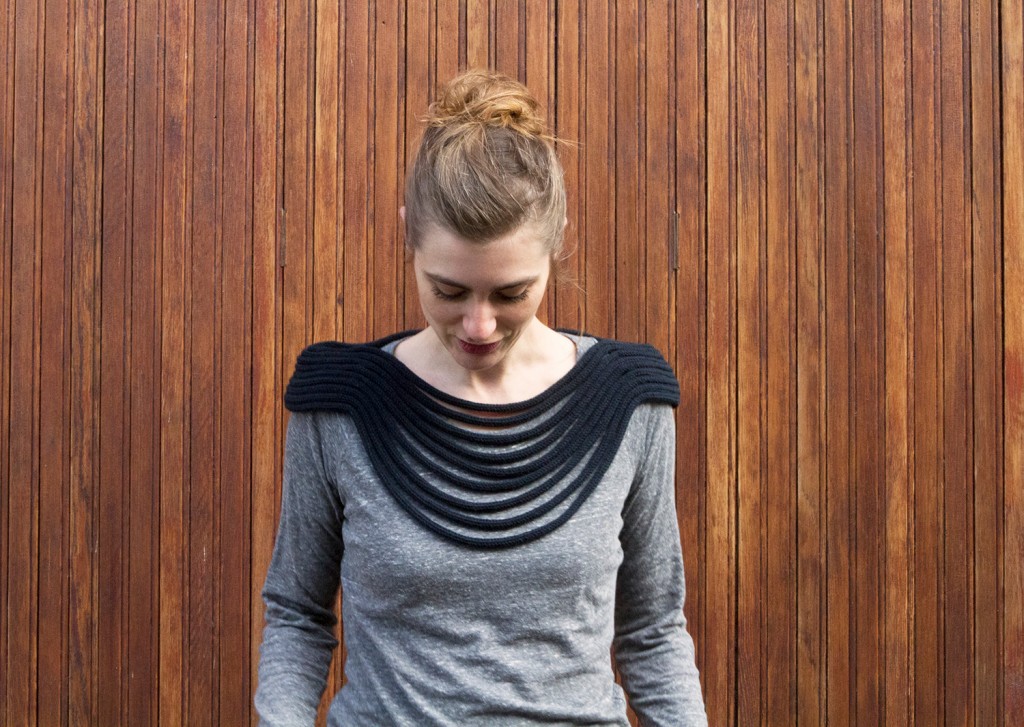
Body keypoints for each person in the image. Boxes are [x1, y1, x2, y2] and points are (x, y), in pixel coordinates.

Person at [255, 69, 708, 726]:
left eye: (510, 293)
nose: (478, 325)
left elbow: (653, 629)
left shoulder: (629, 402)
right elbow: (298, 615)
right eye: (449, 290)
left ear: (558, 240)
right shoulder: (341, 403)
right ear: (408, 234)